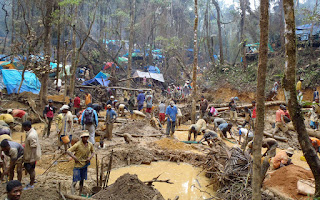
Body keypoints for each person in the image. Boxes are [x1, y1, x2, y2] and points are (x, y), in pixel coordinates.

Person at [22, 121, 41, 190]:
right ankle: (32, 180)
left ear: (27, 127)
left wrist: (32, 158)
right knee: (29, 168)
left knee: (30, 169)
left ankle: (31, 184)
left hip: (31, 155)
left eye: (24, 127)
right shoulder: (31, 132)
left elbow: (34, 146)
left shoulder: (31, 135)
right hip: (29, 154)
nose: (23, 129)